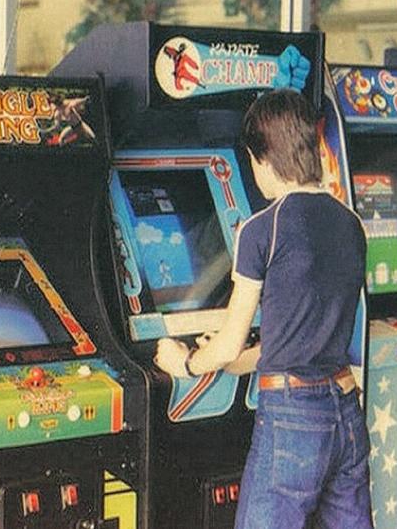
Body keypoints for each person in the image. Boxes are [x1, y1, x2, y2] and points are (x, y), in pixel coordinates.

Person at [154, 89, 372, 529]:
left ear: (263, 159)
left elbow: (231, 340)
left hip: (293, 418)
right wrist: (236, 361)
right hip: (346, 411)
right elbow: (305, 335)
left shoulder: (262, 229)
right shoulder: (351, 224)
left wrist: (186, 362)